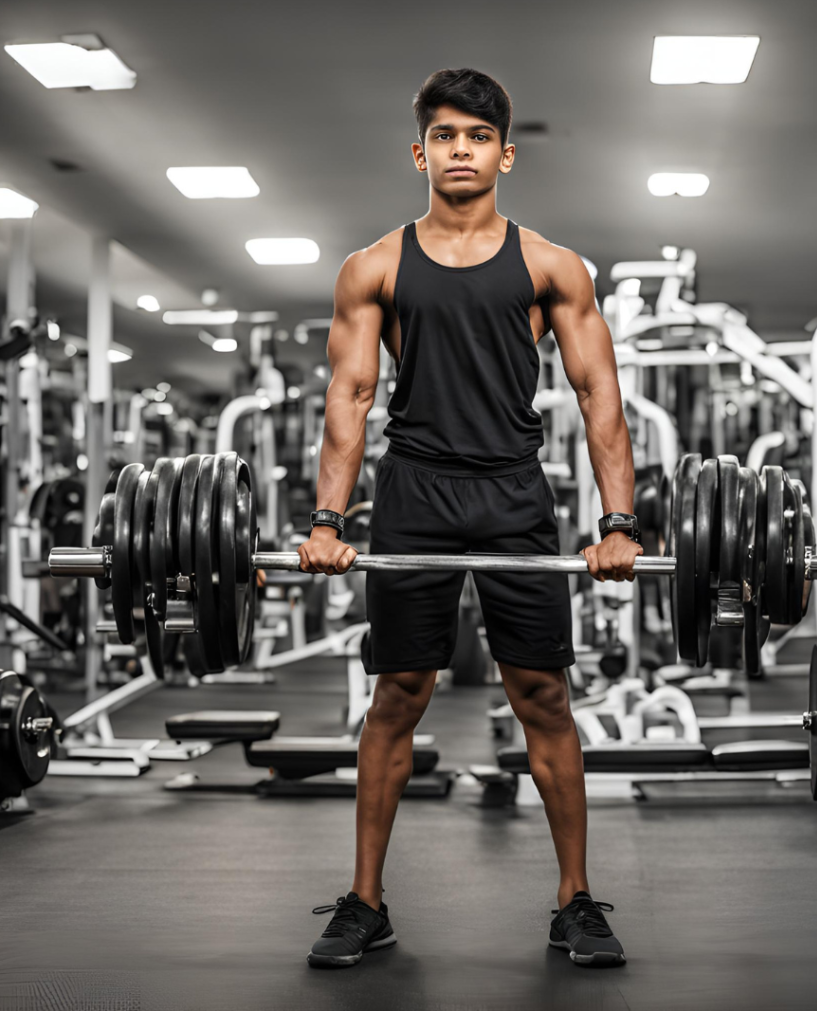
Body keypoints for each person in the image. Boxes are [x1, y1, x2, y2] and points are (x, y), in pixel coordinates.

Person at [299, 68, 641, 969]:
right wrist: (328, 518)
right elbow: (352, 394)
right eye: (445, 135)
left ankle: (576, 901)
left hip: (514, 493)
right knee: (398, 696)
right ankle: (365, 901)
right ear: (421, 152)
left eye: (478, 136)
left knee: (543, 697)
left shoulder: (551, 267)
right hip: (414, 492)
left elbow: (598, 395)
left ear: (505, 154)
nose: (461, 150)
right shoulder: (372, 266)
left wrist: (620, 524)